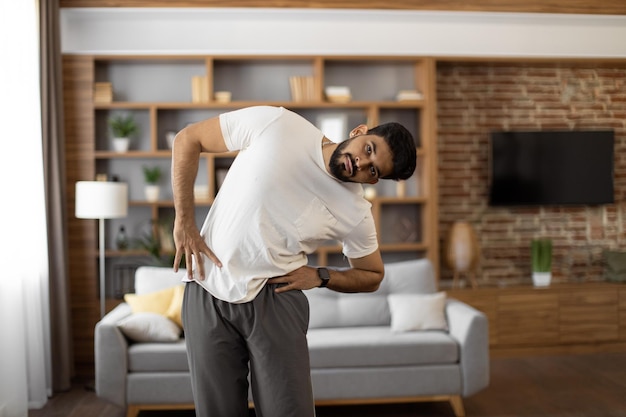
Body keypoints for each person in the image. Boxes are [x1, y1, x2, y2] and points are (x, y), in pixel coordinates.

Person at [171, 105, 416, 417]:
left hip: (276, 299)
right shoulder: (278, 122)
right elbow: (188, 139)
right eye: (369, 150)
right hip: (206, 291)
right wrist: (185, 223)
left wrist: (321, 276)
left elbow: (373, 275)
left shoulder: (356, 213)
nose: (362, 164)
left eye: (374, 170)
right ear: (359, 131)